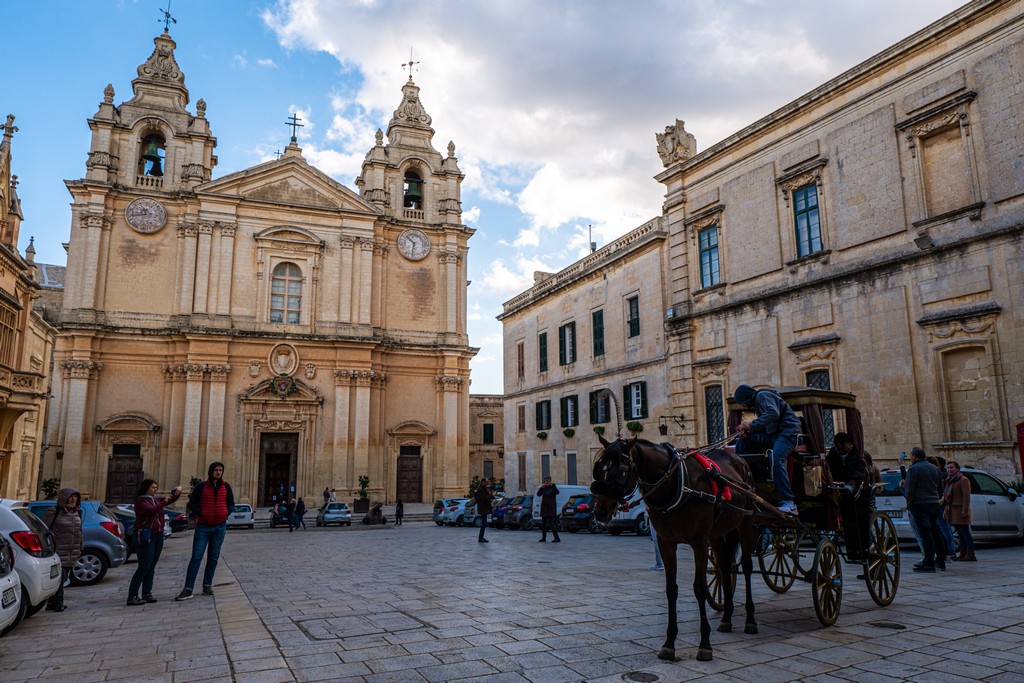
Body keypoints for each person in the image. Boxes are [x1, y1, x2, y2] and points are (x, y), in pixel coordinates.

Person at [734, 384, 802, 514]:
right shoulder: (759, 400)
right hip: (775, 434)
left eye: (741, 403)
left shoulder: (762, 395)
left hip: (788, 433)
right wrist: (747, 433)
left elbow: (773, 413)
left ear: (745, 398)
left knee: (775, 459)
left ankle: (789, 502)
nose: (742, 406)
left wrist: (750, 425)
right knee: (744, 440)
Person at [176, 461, 234, 600]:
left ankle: (207, 585)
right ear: (211, 471)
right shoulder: (201, 486)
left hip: (220, 525)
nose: (218, 472)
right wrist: (200, 513)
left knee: (213, 558)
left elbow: (231, 503)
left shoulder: (226, 487)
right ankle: (188, 588)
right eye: (216, 470)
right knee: (196, 556)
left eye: (220, 470)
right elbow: (191, 503)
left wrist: (226, 513)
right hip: (203, 527)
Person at [127, 479, 182, 605]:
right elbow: (151, 510)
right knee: (143, 567)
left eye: (156, 487)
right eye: (153, 488)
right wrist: (163, 502)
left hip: (158, 535)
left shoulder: (155, 499)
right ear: (146, 488)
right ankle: (132, 595)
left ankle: (147, 593)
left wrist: (177, 494)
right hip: (146, 535)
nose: (155, 489)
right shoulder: (141, 501)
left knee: (151, 567)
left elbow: (169, 500)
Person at [825, 432, 868, 561]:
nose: (850, 446)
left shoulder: (856, 456)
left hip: (857, 492)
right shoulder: (831, 457)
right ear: (840, 445)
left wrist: (854, 479)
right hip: (841, 489)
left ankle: (864, 549)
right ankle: (852, 549)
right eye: (848, 443)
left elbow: (861, 469)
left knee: (859, 518)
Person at [904, 447, 947, 572]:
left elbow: (909, 489)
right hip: (934, 503)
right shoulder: (935, 469)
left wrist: (909, 504)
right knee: (936, 532)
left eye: (911, 456)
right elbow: (940, 488)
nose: (910, 459)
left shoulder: (914, 469)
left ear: (915, 456)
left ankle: (928, 562)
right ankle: (940, 560)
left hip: (920, 504)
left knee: (925, 533)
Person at [43, 487, 84, 612]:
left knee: (63, 577)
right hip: (58, 550)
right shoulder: (53, 512)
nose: (72, 499)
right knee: (60, 577)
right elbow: (44, 529)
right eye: (70, 497)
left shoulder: (77, 513)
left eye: (75, 497)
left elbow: (79, 531)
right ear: (63, 498)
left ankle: (51, 603)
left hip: (71, 550)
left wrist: (81, 545)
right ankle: (58, 603)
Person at [944, 461, 975, 561]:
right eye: (948, 468)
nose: (949, 469)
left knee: (965, 533)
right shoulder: (950, 480)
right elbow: (948, 497)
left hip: (960, 510)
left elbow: (966, 497)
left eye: (952, 467)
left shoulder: (963, 480)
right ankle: (962, 553)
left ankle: (970, 554)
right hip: (953, 510)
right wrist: (946, 509)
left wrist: (965, 511)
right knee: (960, 534)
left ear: (957, 468)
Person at [536, 477, 561, 543]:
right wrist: (542, 487)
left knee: (551, 523)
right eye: (545, 481)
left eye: (547, 481)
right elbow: (538, 494)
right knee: (543, 524)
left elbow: (557, 492)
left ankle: (557, 538)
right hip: (544, 507)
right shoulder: (543, 488)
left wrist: (552, 486)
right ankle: (543, 538)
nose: (546, 483)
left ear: (550, 481)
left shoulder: (553, 486)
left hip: (551, 508)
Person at [475, 478, 494, 543]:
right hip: (483, 509)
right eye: (486, 482)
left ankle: (481, 537)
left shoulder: (483, 489)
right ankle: (480, 538)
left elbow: (488, 497)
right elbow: (484, 499)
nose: (487, 484)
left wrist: (491, 494)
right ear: (483, 482)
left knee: (484, 524)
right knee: (483, 524)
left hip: (484, 508)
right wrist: (490, 494)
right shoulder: (480, 489)